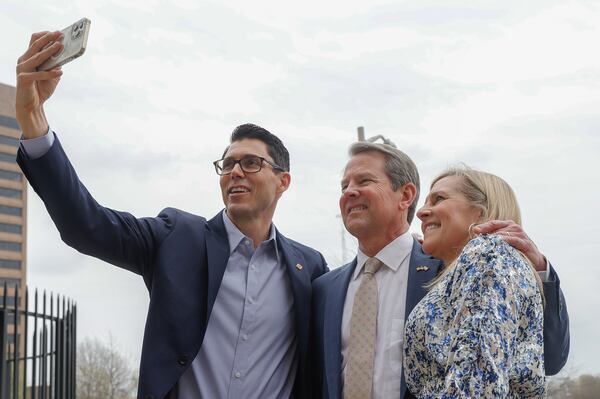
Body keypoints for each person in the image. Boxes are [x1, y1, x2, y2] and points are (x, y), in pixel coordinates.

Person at [15, 31, 327, 399]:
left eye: (250, 163)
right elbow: (87, 225)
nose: (235, 172)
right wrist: (33, 119)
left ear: (283, 181)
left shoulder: (310, 269)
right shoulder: (176, 237)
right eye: (226, 165)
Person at [311, 142, 569, 399]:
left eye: (364, 181)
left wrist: (539, 271)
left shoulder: (457, 267)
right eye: (344, 186)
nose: (349, 192)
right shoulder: (323, 288)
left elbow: (545, 357)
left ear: (405, 195)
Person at [403, 167, 546, 397]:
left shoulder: (487, 254)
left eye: (439, 198)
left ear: (480, 213)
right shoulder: (477, 265)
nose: (420, 212)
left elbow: (477, 384)